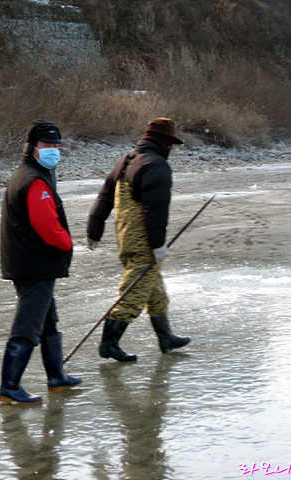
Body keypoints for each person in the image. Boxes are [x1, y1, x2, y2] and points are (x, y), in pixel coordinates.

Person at [86, 118, 190, 362]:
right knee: (132, 294)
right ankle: (109, 344)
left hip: (125, 237)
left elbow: (105, 197)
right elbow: (156, 210)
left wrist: (94, 230)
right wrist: (157, 244)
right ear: (164, 142)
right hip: (144, 243)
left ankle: (166, 338)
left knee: (155, 292)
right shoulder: (156, 165)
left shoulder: (126, 160)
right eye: (170, 144)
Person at [0, 120, 82, 404]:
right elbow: (47, 225)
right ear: (33, 147)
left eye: (57, 146)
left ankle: (56, 376)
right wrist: (67, 243)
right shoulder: (33, 180)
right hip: (35, 264)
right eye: (47, 145)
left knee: (47, 320)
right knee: (28, 324)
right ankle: (10, 387)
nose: (53, 151)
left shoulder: (29, 174)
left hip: (30, 262)